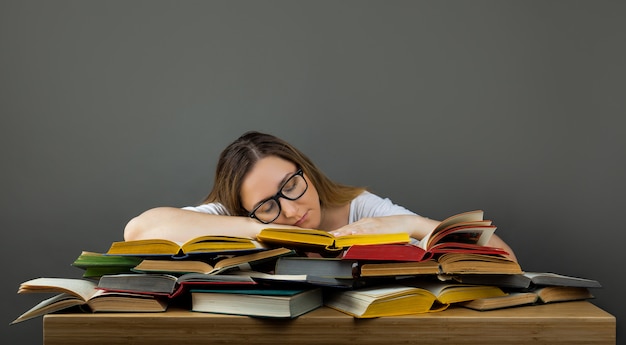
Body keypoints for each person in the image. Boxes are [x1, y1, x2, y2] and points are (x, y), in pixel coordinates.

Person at [124, 131, 517, 261]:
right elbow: (138, 229)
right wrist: (255, 227)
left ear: (305, 170)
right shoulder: (239, 215)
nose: (291, 211)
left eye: (292, 186)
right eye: (268, 206)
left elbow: (503, 257)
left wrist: (413, 224)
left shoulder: (359, 206)